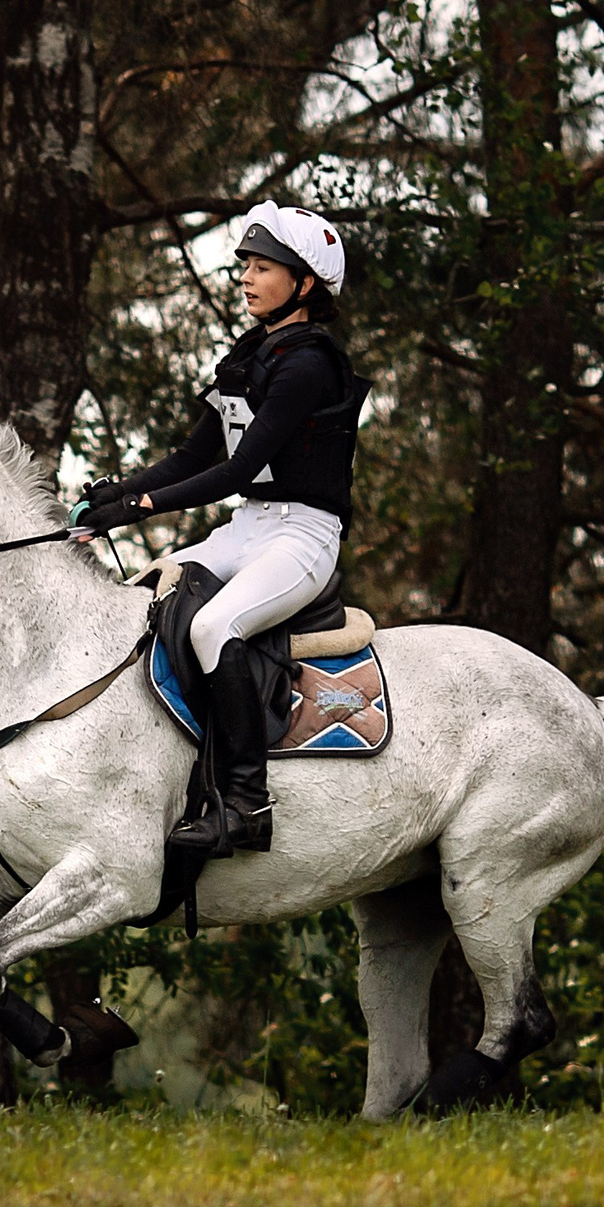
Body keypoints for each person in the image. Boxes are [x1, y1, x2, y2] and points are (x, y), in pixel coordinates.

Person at [72, 202, 366, 853]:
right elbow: (188, 458)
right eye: (246, 267)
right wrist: (118, 492)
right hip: (246, 528)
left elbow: (239, 469)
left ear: (306, 283)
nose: (247, 277)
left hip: (302, 537)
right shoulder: (249, 356)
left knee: (212, 624)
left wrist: (145, 509)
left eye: (263, 267)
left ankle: (246, 805)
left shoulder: (310, 363)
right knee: (143, 595)